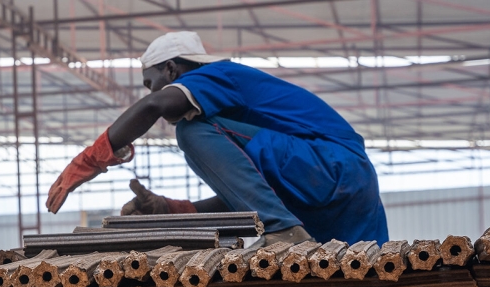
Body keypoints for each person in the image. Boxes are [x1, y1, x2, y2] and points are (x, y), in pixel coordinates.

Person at [46, 31, 388, 247]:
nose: (151, 91)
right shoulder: (249, 128)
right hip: (341, 194)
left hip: (333, 167)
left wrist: (91, 159)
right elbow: (251, 192)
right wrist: (170, 209)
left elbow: (154, 105)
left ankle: (282, 234)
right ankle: (284, 231)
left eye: (151, 81)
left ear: (171, 70)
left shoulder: (217, 74)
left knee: (191, 129)